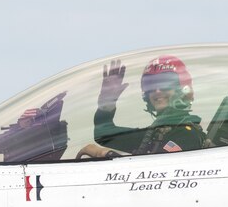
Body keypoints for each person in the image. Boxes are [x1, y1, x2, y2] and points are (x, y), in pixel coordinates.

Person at [78, 55, 206, 158]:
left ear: (182, 89)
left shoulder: (188, 134)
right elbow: (103, 134)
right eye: (151, 84)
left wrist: (104, 153)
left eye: (165, 83)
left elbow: (156, 173)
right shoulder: (153, 135)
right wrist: (107, 102)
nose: (157, 91)